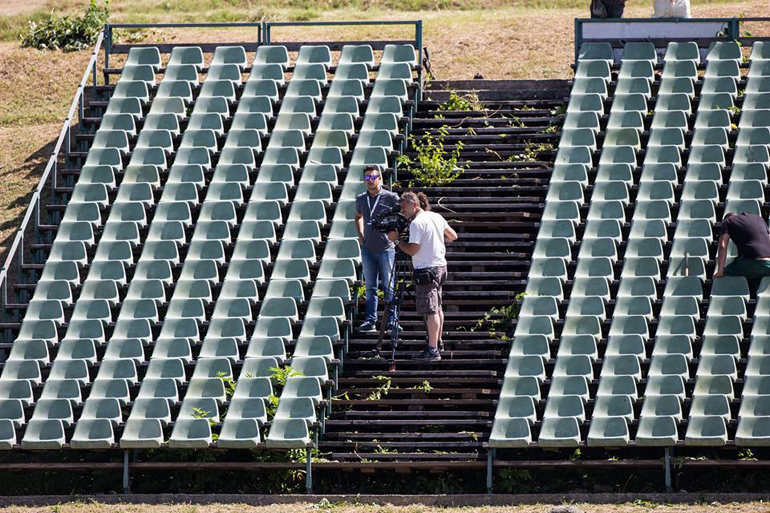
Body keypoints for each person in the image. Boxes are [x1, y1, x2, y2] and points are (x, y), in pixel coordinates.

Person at [387, 192, 458, 361]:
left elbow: (412, 250)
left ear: (415, 205)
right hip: (441, 266)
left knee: (431, 309)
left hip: (426, 269)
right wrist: (435, 242)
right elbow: (453, 236)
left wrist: (396, 241)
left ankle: (433, 349)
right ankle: (437, 341)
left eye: (404, 207)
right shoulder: (436, 216)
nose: (402, 211)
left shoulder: (417, 223)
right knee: (437, 306)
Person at [355, 166, 400, 333]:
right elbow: (358, 216)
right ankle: (370, 320)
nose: (370, 180)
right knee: (370, 286)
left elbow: (399, 218)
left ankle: (392, 319)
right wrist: (360, 235)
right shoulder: (361, 198)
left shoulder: (391, 197)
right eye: (367, 178)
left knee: (389, 286)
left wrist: (393, 236)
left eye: (373, 177)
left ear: (380, 179)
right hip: (368, 249)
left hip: (386, 248)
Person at [714, 212, 770, 284]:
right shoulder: (759, 218)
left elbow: (722, 245)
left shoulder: (728, 221)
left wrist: (720, 272)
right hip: (768, 263)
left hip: (753, 263)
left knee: (726, 272)